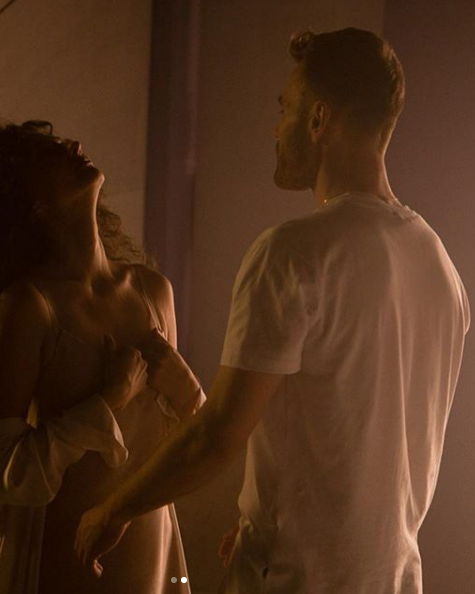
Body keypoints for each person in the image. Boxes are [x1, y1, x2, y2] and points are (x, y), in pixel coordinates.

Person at [75, 28, 471, 594]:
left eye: (285, 108)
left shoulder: (291, 253)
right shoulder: (440, 266)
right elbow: (364, 433)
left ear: (319, 119)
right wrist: (265, 517)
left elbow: (217, 435)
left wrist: (112, 509)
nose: (275, 127)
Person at [0, 120, 205, 594]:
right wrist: (107, 401)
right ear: (31, 202)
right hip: (62, 561)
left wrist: (189, 391)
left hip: (151, 553)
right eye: (51, 153)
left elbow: (191, 443)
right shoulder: (27, 308)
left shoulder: (153, 291)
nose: (76, 144)